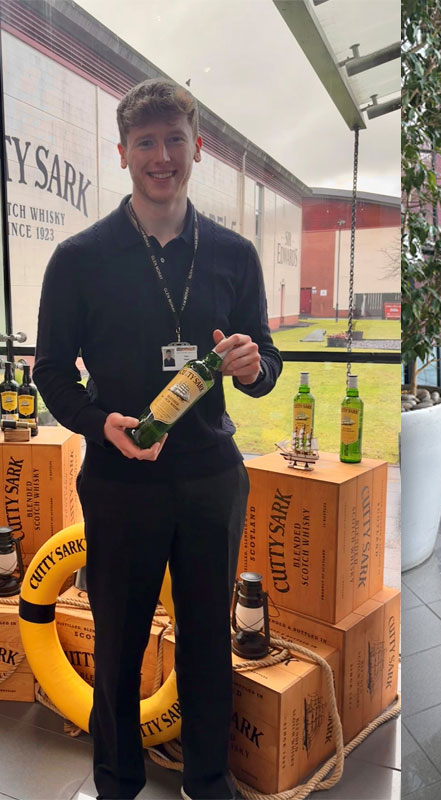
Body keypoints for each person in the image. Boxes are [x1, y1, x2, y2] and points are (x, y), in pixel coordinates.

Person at [33, 78, 282, 799]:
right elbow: (51, 372)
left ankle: (209, 780)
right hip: (119, 481)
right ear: (123, 153)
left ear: (197, 147)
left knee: (206, 639)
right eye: (146, 142)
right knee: (118, 641)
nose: (161, 156)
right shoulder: (80, 258)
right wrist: (97, 423)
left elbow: (265, 362)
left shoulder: (234, 254)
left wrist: (253, 366)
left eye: (175, 139)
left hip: (211, 478)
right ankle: (116, 783)